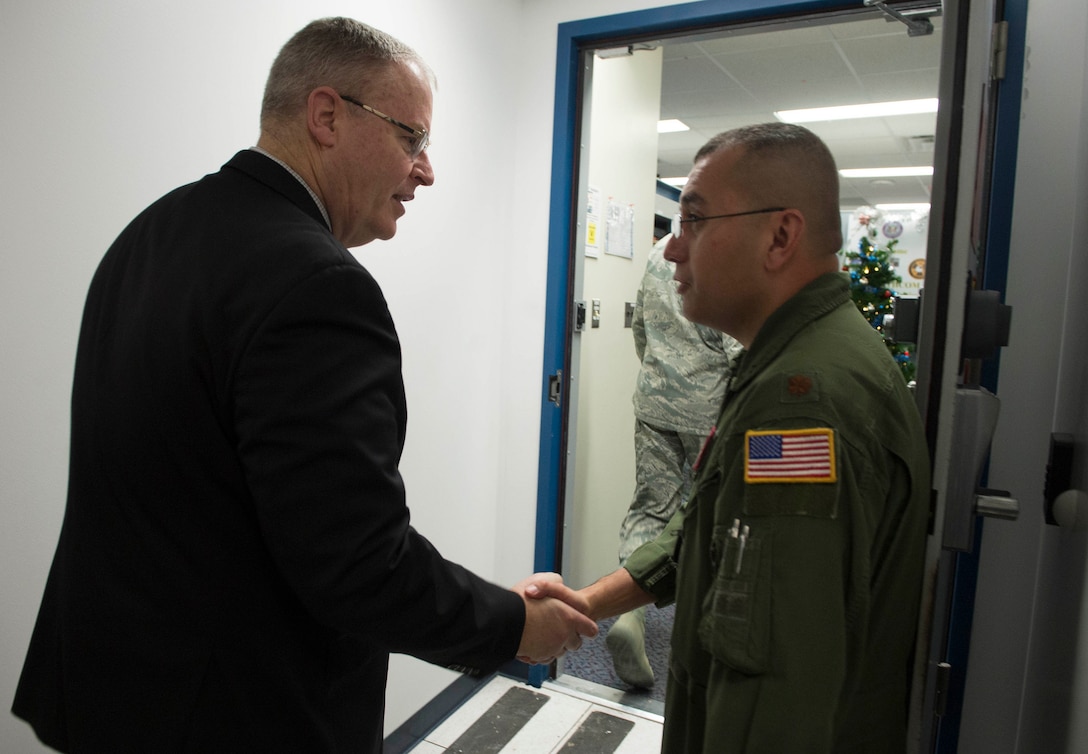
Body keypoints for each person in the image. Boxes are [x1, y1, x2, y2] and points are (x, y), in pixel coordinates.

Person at [12, 17, 595, 754]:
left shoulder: (149, 233)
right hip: (236, 715)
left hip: (110, 694)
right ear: (326, 115)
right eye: (411, 139)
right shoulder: (318, 285)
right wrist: (512, 625)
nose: (426, 170)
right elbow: (357, 564)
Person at [530, 123, 930, 753]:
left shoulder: (800, 405)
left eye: (694, 220)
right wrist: (587, 601)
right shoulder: (789, 361)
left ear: (780, 236)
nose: (671, 250)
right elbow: (706, 531)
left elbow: (777, 673)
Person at [608, 235, 742, 689]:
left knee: (650, 507)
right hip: (711, 412)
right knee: (714, 516)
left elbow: (641, 329)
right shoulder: (725, 252)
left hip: (655, 402)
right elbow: (739, 348)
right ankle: (703, 635)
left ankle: (629, 613)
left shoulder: (658, 251)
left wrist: (662, 378)